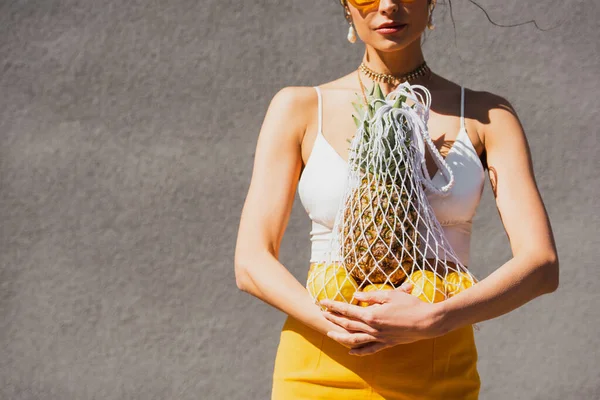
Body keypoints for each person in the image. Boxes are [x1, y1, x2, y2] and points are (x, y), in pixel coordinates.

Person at [234, 0, 559, 398]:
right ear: (345, 4)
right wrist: (344, 325)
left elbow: (541, 264)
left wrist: (436, 318)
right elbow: (251, 263)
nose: (389, 5)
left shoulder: (486, 116)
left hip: (438, 370)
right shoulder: (299, 108)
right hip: (320, 365)